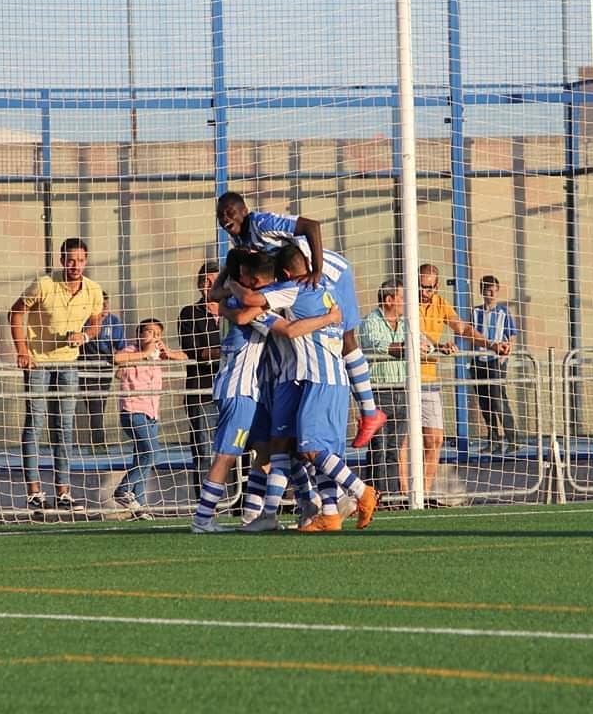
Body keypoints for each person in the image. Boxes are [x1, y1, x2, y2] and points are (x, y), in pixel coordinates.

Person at [215, 191, 388, 448]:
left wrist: (316, 269)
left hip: (329, 273)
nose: (225, 218)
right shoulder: (241, 244)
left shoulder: (261, 223)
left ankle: (369, 411)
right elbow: (221, 293)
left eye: (230, 212)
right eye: (220, 215)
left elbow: (310, 226)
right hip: (294, 281)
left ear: (244, 210)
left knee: (346, 338)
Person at [190, 249, 339, 534]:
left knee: (266, 450)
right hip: (239, 390)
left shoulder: (232, 299)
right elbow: (289, 329)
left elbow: (219, 298)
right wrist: (329, 318)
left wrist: (232, 278)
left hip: (251, 391)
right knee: (226, 454)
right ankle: (203, 518)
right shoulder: (252, 309)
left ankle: (255, 514)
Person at [9, 237, 103, 512]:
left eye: (81, 260)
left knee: (65, 427)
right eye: (70, 260)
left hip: (69, 363)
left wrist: (84, 335)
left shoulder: (93, 290)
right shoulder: (44, 284)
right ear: (62, 260)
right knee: (35, 423)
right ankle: (34, 492)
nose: (76, 265)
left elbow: (97, 322)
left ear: (86, 261)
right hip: (38, 363)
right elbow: (15, 313)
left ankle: (64, 492)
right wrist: (22, 350)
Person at [416, 263, 501, 498]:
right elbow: (415, 336)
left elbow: (462, 328)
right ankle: (404, 495)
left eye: (430, 288)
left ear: (437, 286)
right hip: (404, 379)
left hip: (429, 379)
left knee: (434, 439)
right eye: (422, 287)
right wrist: (438, 346)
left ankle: (421, 495)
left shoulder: (440, 303)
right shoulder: (407, 302)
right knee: (405, 442)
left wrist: (491, 344)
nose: (425, 292)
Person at [112, 318, 188, 518]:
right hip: (133, 410)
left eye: (157, 333)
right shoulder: (132, 351)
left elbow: (184, 356)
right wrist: (144, 354)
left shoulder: (157, 354)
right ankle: (123, 489)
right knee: (152, 452)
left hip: (152, 413)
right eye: (149, 332)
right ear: (139, 334)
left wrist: (168, 353)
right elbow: (117, 359)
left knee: (142, 457)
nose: (154, 337)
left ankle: (139, 506)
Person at [358, 279, 420, 502]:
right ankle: (373, 496)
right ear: (389, 299)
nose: (405, 302)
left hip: (402, 389)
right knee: (378, 446)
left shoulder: (406, 323)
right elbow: (376, 345)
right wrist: (406, 348)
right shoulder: (370, 322)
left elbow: (424, 344)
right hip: (377, 391)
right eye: (402, 297)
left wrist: (436, 347)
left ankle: (392, 497)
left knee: (395, 447)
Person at [177, 262, 222, 496]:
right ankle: (205, 505)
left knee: (239, 449)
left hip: (232, 390)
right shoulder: (189, 313)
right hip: (201, 391)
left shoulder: (233, 310)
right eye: (205, 281)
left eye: (214, 281)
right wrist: (228, 350)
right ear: (198, 284)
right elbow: (196, 351)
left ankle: (241, 505)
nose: (209, 286)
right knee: (203, 450)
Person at [470, 274, 520, 455]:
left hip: (496, 362)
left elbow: (512, 335)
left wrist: (505, 354)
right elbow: (470, 335)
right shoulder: (475, 312)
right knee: (484, 402)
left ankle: (513, 439)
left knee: (498, 400)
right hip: (478, 360)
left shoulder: (504, 312)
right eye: (488, 290)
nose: (491, 294)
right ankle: (493, 440)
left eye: (494, 291)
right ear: (482, 292)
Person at [78, 292, 125, 451]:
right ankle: (98, 443)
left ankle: (97, 442)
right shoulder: (84, 319)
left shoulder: (114, 322)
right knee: (94, 403)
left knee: (100, 403)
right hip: (85, 366)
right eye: (100, 304)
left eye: (106, 304)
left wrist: (122, 365)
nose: (104, 308)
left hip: (105, 367)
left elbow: (121, 347)